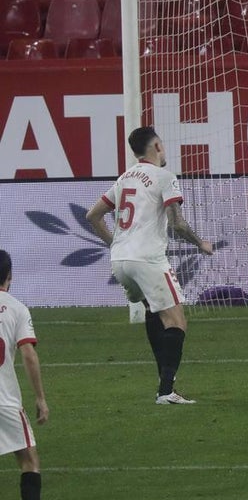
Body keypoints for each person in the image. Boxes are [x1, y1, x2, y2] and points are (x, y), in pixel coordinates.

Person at [86, 126, 214, 405]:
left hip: (120, 261)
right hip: (147, 259)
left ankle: (165, 383)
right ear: (156, 145)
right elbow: (177, 223)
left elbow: (93, 215)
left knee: (154, 313)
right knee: (177, 322)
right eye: (162, 144)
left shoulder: (124, 178)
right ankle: (166, 391)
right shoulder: (164, 177)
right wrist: (200, 244)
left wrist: (115, 243)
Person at [0, 250, 65, 500]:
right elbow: (28, 353)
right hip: (4, 402)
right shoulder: (16, 309)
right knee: (29, 461)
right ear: (9, 278)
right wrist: (40, 398)